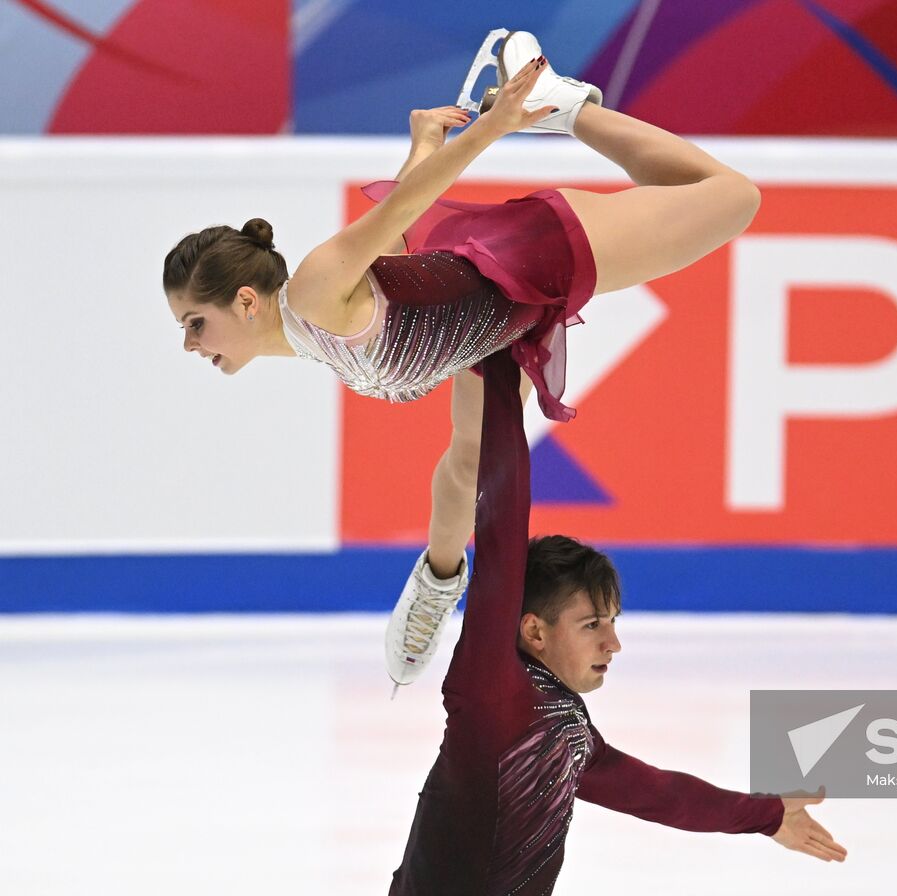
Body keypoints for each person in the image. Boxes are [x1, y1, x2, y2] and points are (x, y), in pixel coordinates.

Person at [162, 31, 762, 687]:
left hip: (533, 255)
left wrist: (500, 124)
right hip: (479, 318)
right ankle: (435, 583)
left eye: (196, 323)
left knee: (733, 198)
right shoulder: (315, 323)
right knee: (469, 458)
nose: (191, 343)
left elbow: (402, 207)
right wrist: (424, 141)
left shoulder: (310, 290)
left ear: (246, 301)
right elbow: (395, 231)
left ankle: (566, 109)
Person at [386, 346, 845, 894]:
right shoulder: (491, 688)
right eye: (592, 625)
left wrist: (765, 815)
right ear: (533, 630)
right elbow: (503, 514)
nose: (614, 644)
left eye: (612, 622)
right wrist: (504, 368)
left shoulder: (569, 730)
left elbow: (656, 793)